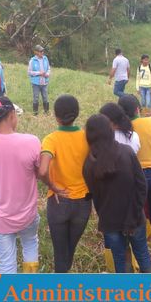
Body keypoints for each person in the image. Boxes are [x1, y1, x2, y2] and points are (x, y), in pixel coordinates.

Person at [0, 97, 48, 273]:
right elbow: (39, 172)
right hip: (27, 212)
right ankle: (29, 285)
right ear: (11, 114)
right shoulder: (31, 141)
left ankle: (8, 290)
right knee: (30, 244)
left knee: (6, 262)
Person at [83, 114, 151, 273]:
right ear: (110, 131)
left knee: (120, 260)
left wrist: (106, 218)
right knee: (142, 254)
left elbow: (97, 198)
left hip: (110, 222)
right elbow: (142, 187)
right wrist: (132, 217)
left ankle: (125, 288)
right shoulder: (127, 152)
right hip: (135, 218)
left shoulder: (88, 165)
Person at [118, 94, 151, 271]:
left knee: (135, 219)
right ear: (137, 109)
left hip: (136, 178)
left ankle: (133, 263)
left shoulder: (122, 130)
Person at [38, 95, 90, 273]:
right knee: (70, 248)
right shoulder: (87, 137)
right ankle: (64, 277)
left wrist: (52, 186)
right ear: (77, 113)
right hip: (83, 202)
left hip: (59, 201)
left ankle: (60, 282)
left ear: (56, 116)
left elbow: (42, 171)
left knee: (60, 252)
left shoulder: (51, 139)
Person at [28, 45, 51, 115]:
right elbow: (29, 72)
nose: (42, 52)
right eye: (40, 51)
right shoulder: (32, 60)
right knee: (36, 97)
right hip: (36, 83)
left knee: (45, 97)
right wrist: (39, 73)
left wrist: (47, 74)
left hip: (44, 82)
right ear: (36, 52)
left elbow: (48, 68)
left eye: (42, 51)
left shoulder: (45, 58)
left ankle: (46, 112)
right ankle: (35, 113)